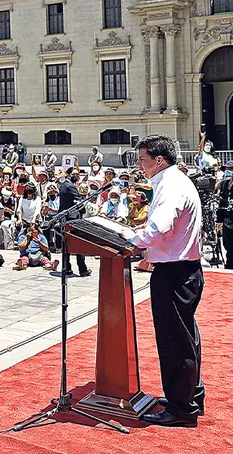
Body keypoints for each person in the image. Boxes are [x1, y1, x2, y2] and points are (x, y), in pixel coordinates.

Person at [121, 134, 205, 427]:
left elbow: (161, 226)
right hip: (185, 271)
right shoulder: (175, 181)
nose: (139, 166)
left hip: (174, 274)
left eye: (142, 159)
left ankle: (182, 409)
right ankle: (190, 395)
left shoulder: (170, 185)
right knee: (186, 338)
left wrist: (131, 239)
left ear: (159, 160)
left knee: (173, 342)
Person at [58, 170, 91, 277]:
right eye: (74, 174)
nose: (76, 175)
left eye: (77, 174)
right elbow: (79, 203)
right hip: (73, 219)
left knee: (66, 244)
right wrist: (83, 211)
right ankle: (83, 269)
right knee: (79, 243)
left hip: (65, 218)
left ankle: (66, 268)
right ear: (68, 174)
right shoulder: (70, 187)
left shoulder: (64, 185)